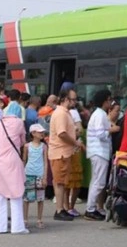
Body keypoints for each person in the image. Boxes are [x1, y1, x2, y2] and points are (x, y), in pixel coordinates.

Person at [0, 102, 28, 234]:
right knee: (16, 193)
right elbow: (23, 141)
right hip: (13, 160)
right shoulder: (19, 123)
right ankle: (17, 227)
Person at [48, 89, 85, 221]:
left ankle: (62, 208)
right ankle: (59, 210)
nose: (75, 102)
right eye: (73, 99)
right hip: (60, 153)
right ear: (65, 99)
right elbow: (61, 133)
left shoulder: (65, 113)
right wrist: (75, 142)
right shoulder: (61, 114)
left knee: (62, 182)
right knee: (59, 182)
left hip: (63, 152)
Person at [84, 89, 120, 220]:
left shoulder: (98, 114)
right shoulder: (100, 115)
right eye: (109, 99)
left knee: (96, 181)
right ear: (105, 101)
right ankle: (90, 209)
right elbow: (100, 134)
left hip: (97, 151)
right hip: (99, 151)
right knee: (99, 182)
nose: (110, 102)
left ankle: (92, 207)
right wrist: (112, 130)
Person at [23, 123, 47, 229]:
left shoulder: (44, 146)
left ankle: (39, 219)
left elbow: (46, 162)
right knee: (27, 198)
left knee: (40, 198)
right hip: (29, 173)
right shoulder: (27, 146)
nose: (42, 133)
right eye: (40, 132)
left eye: (42, 132)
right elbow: (24, 160)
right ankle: (25, 219)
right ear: (33, 133)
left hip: (40, 174)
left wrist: (45, 176)